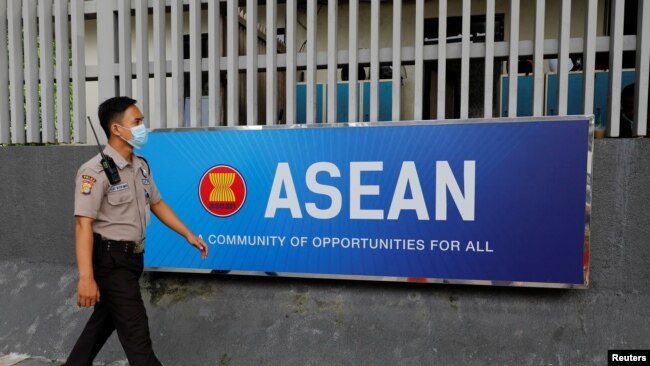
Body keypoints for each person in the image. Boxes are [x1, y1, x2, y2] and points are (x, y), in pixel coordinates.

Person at [66, 96, 208, 366]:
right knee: (136, 334)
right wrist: (86, 278)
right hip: (110, 260)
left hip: (133, 259)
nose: (143, 127)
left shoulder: (140, 165)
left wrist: (188, 235)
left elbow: (157, 203)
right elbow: (82, 224)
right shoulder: (94, 171)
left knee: (103, 322)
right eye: (137, 121)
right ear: (116, 129)